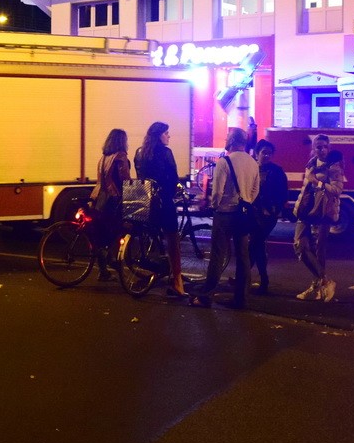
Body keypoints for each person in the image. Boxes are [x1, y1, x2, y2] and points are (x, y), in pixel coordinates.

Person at [194, 127, 260, 308]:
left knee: (217, 255)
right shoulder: (253, 162)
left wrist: (213, 206)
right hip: (243, 214)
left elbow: (217, 192)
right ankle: (241, 299)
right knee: (243, 257)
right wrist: (246, 202)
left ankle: (207, 295)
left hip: (224, 214)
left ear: (231, 141)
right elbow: (255, 190)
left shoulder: (225, 162)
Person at [134, 122, 185, 297]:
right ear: (159, 136)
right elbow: (173, 178)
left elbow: (141, 177)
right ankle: (177, 281)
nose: (169, 136)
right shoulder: (166, 153)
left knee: (151, 234)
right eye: (166, 133)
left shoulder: (139, 153)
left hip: (145, 201)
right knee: (173, 239)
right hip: (163, 201)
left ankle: (153, 271)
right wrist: (173, 193)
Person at [293, 134, 345, 302]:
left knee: (319, 250)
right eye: (318, 147)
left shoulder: (334, 166)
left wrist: (318, 182)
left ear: (328, 148)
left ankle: (317, 287)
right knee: (299, 245)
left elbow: (337, 190)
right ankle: (325, 281)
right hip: (307, 210)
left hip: (323, 211)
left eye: (324, 147)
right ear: (313, 148)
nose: (321, 150)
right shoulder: (311, 164)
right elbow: (305, 188)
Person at [89, 128, 131, 281]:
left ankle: (103, 271)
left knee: (101, 233)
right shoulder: (120, 157)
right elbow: (125, 181)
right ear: (122, 141)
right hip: (114, 199)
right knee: (119, 230)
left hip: (99, 199)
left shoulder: (104, 158)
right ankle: (112, 259)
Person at [248, 139, 288, 294]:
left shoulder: (277, 171)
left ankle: (252, 278)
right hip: (253, 213)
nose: (267, 156)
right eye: (264, 152)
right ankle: (258, 279)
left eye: (269, 153)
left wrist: (275, 208)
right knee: (256, 244)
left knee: (255, 243)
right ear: (257, 153)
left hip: (268, 214)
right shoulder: (251, 169)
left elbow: (283, 192)